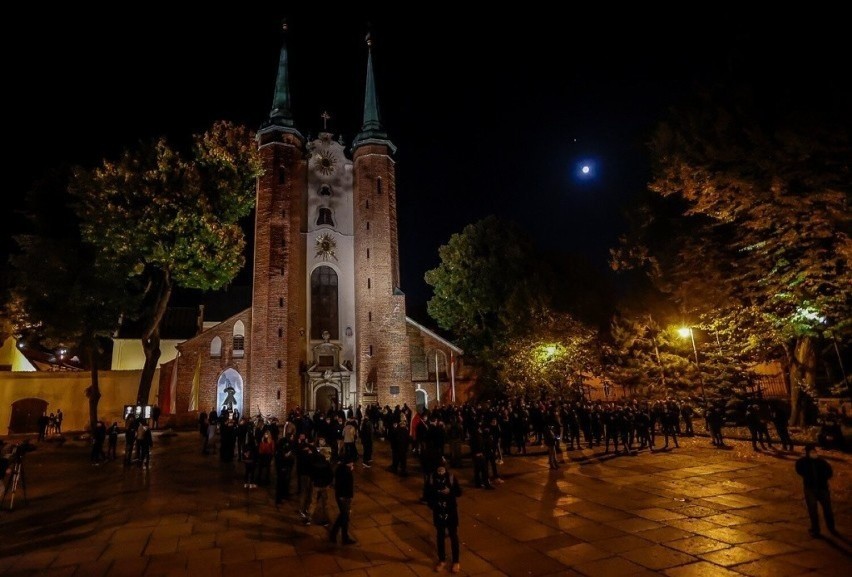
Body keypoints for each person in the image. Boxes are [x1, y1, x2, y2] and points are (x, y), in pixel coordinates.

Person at [426, 459, 462, 573]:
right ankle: (442, 560)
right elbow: (427, 494)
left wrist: (450, 491)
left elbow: (459, 492)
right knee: (440, 536)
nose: (441, 471)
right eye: (439, 469)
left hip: (451, 511)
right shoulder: (431, 478)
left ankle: (456, 561)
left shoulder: (451, 477)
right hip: (438, 511)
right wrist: (434, 504)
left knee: (453, 535)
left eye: (443, 468)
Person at [795, 443, 836, 537]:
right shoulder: (804, 462)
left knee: (825, 509)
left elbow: (829, 472)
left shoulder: (820, 462)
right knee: (816, 509)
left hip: (819, 488)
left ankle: (826, 528)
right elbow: (798, 469)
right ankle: (819, 528)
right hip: (813, 488)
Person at [329, 454, 357, 545]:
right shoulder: (346, 471)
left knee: (344, 517)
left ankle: (340, 536)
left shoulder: (341, 469)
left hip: (342, 496)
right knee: (344, 517)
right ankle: (337, 535)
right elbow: (344, 484)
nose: (353, 464)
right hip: (344, 497)